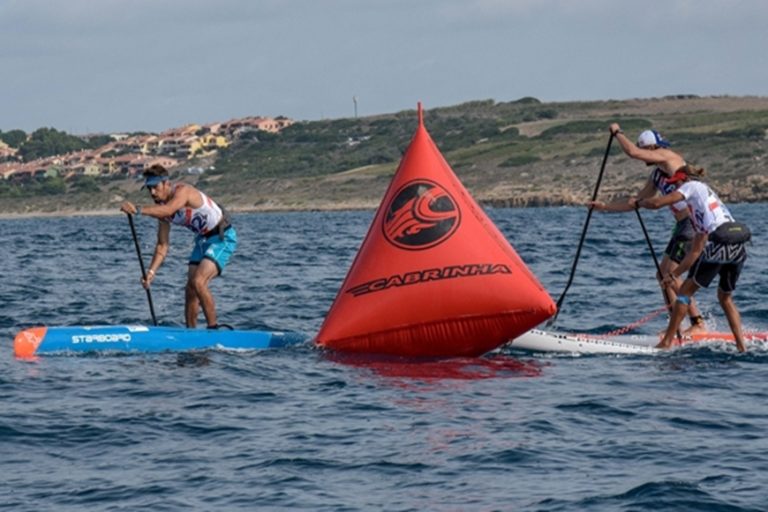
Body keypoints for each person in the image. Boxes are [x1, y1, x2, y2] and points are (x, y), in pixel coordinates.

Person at [588, 123, 706, 334]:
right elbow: (636, 202)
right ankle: (676, 325)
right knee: (662, 275)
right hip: (680, 225)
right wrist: (604, 207)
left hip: (692, 223)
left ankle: (697, 324)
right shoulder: (657, 176)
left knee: (670, 273)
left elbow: (633, 152)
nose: (646, 156)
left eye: (648, 151)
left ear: (653, 149)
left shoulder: (670, 158)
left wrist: (617, 133)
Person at [632, 165, 750, 352]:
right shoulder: (705, 206)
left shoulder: (692, 186)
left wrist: (638, 203)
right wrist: (673, 275)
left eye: (676, 184)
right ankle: (742, 347)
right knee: (725, 297)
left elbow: (656, 203)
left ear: (683, 180)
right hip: (739, 244)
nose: (676, 188)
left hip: (720, 243)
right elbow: (695, 252)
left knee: (684, 293)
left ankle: (666, 342)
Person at [120, 164, 237, 329]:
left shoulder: (183, 192)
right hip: (202, 240)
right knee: (190, 288)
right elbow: (162, 245)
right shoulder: (162, 211)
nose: (152, 193)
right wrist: (151, 272)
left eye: (155, 187)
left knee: (198, 282)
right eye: (149, 189)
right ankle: (191, 333)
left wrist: (138, 210)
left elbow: (169, 209)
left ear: (166, 183)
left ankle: (213, 329)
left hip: (221, 238)